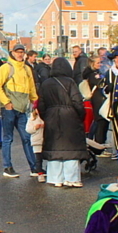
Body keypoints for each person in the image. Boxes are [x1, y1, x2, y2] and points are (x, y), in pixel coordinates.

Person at [39, 57, 88, 187]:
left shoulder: (46, 83)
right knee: (71, 146)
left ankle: (55, 178)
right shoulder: (70, 82)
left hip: (51, 115)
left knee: (54, 146)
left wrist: (47, 116)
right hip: (70, 116)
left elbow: (41, 105)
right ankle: (72, 178)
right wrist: (80, 115)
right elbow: (77, 102)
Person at [0, 44, 38, 178]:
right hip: (10, 109)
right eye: (17, 52)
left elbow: (31, 88)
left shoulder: (27, 69)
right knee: (8, 138)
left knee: (27, 138)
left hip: (22, 109)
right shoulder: (5, 68)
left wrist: (35, 103)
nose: (20, 54)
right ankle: (7, 167)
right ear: (12, 53)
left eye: (22, 52)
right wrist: (6, 102)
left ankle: (34, 167)